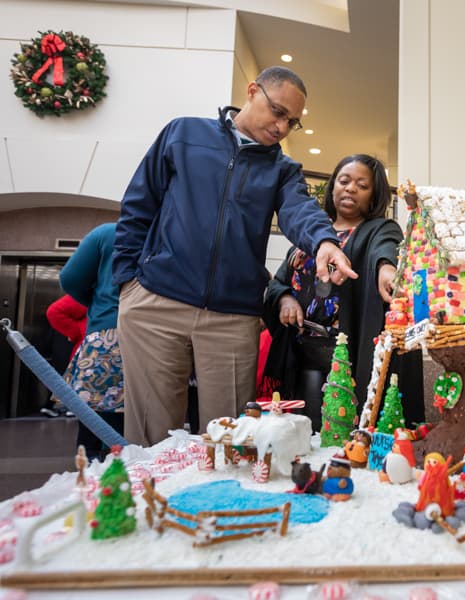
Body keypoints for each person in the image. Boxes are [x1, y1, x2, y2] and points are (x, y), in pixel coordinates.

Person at [113, 66, 356, 447]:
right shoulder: (184, 135)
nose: (282, 127)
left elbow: (298, 210)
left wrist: (324, 241)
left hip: (232, 317)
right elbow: (138, 207)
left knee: (230, 442)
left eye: (292, 123)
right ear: (252, 91)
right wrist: (128, 283)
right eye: (278, 112)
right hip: (155, 303)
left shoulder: (283, 169)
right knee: (151, 441)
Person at [263, 154, 424, 431]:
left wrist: (386, 269)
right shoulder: (311, 235)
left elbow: (386, 249)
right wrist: (285, 299)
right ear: (333, 186)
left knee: (344, 433)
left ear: (375, 195)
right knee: (302, 430)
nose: (350, 188)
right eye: (344, 181)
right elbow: (279, 282)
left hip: (347, 356)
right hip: (301, 354)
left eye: (362, 185)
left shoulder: (379, 229)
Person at [59, 222, 125, 459]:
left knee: (93, 423)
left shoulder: (107, 232)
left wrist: (99, 305)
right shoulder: (169, 232)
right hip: (157, 336)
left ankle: (92, 484)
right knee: (142, 431)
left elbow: (69, 278)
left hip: (105, 337)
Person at [40, 294, 87, 417]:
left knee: (62, 375)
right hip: (74, 344)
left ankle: (52, 405)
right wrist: (78, 333)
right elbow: (55, 311)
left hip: (68, 342)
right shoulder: (89, 293)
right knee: (68, 376)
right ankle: (70, 406)